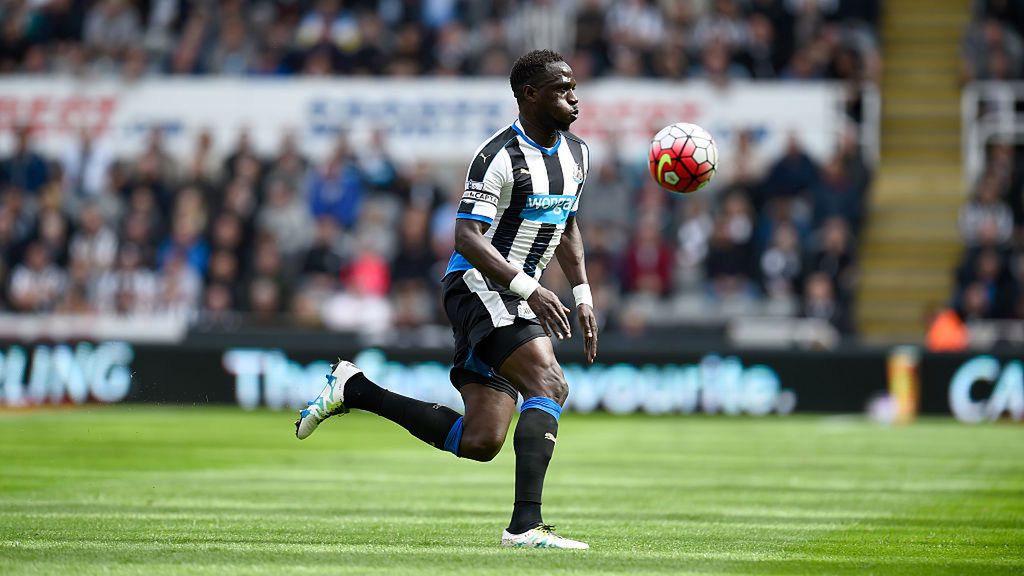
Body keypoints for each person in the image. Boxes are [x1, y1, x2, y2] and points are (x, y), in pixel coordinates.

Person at [295, 49, 596, 550]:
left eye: (574, 87)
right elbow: (466, 236)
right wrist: (530, 288)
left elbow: (566, 224)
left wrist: (582, 293)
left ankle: (354, 390)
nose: (574, 97)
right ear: (529, 95)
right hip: (481, 285)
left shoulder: (578, 154)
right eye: (563, 89)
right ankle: (525, 527)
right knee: (549, 381)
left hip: (519, 292)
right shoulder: (498, 156)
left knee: (481, 441)